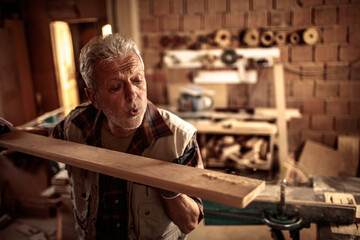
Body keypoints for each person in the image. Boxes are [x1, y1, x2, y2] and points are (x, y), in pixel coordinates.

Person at [49, 33, 204, 239]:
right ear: (93, 97)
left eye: (137, 80)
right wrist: (13, 135)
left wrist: (169, 190)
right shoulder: (77, 125)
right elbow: (44, 141)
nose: (132, 94)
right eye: (116, 87)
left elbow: (191, 222)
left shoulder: (179, 138)